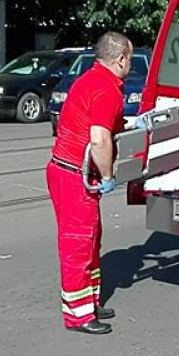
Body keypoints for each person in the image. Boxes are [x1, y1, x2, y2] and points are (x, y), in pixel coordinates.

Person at [46, 32, 134, 335]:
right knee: (78, 244)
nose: (130, 65)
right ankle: (78, 315)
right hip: (75, 176)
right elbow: (99, 138)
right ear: (120, 59)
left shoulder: (90, 80)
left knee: (91, 240)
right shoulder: (107, 89)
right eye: (129, 59)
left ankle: (90, 301)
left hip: (69, 171)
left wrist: (132, 124)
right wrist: (108, 176)